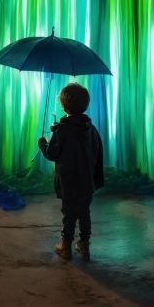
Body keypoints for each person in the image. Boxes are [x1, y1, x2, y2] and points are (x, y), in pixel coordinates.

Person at [38, 82, 104, 261]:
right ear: (86, 105)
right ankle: (84, 246)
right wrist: (57, 130)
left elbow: (52, 154)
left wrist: (42, 143)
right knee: (84, 213)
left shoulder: (63, 130)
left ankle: (65, 246)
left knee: (68, 214)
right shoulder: (91, 128)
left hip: (69, 183)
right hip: (87, 182)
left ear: (63, 106)